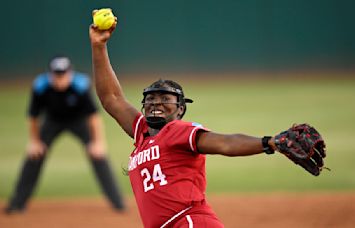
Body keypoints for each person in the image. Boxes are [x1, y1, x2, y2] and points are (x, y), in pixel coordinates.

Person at [89, 15, 326, 228]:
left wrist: (269, 142)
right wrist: (98, 46)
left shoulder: (177, 131)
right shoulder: (141, 132)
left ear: (180, 109)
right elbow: (111, 98)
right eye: (150, 98)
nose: (156, 103)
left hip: (190, 222)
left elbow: (224, 143)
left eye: (165, 99)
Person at [4, 56, 125, 213]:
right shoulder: (41, 86)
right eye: (56, 74)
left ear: (70, 73)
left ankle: (118, 203)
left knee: (98, 155)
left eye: (63, 74)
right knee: (34, 155)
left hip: (78, 121)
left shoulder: (80, 85)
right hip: (52, 122)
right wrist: (34, 142)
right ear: (50, 74)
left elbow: (93, 116)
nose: (60, 79)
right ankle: (17, 204)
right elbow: (33, 116)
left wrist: (98, 142)